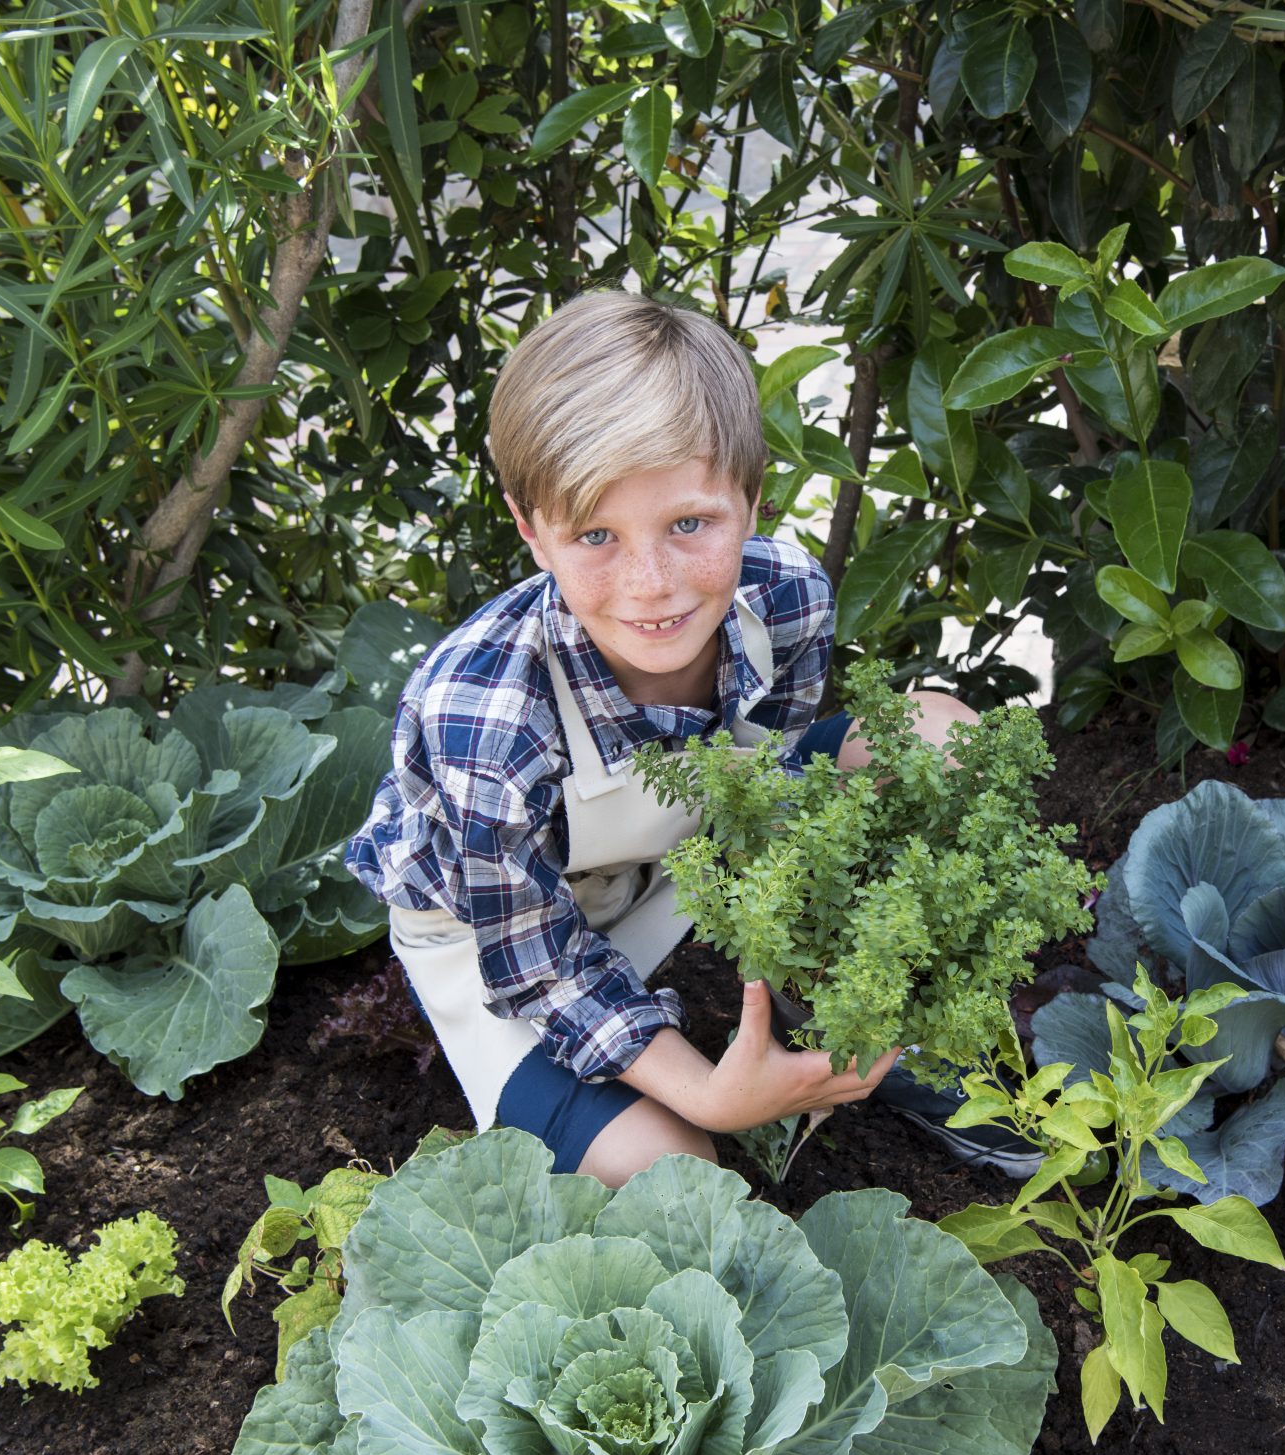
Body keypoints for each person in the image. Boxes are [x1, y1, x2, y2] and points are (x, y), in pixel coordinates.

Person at [344, 291, 1040, 1187]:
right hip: (510, 938)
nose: (652, 584)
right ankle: (717, 1082)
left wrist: (824, 947)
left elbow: (777, 800)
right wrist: (708, 1094)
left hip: (685, 855)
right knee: (671, 1170)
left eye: (688, 524)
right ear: (531, 530)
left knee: (941, 740)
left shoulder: (788, 601)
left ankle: (863, 1036)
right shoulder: (482, 711)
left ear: (749, 500)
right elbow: (541, 966)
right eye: (596, 535)